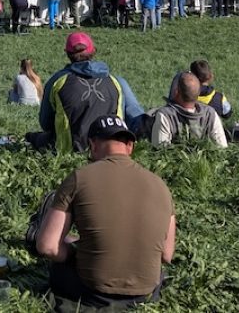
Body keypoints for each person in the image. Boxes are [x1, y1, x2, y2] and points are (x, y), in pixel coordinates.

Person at [33, 114, 175, 310]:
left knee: (58, 257)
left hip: (92, 290)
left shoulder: (79, 178)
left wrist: (74, 253)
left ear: (92, 144)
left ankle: (42, 228)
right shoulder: (161, 186)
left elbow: (47, 247)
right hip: (145, 292)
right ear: (130, 146)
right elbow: (167, 255)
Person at [33, 32, 145, 154]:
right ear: (93, 51)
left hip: (71, 150)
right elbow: (130, 115)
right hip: (111, 151)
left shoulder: (57, 81)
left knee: (35, 138)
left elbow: (46, 123)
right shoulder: (115, 81)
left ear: (67, 53)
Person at [151, 72, 228, 148]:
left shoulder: (165, 115)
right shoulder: (210, 114)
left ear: (176, 92)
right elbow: (222, 148)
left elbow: (159, 148)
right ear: (198, 93)